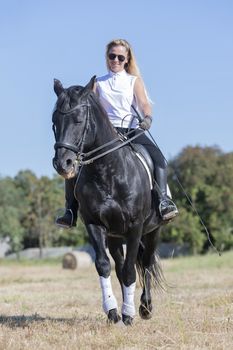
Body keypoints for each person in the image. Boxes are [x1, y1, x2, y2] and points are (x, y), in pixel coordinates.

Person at [56, 38, 178, 228]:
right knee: (76, 165)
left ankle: (163, 201)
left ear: (127, 60)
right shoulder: (98, 83)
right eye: (112, 56)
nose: (116, 60)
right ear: (107, 57)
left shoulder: (133, 81)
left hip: (131, 130)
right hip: (104, 134)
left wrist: (147, 118)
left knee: (159, 160)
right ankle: (70, 210)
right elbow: (89, 107)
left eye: (121, 57)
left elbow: (144, 104)